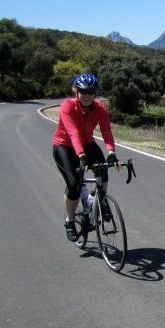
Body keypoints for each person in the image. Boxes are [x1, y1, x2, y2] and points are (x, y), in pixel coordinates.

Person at [52, 73, 119, 241]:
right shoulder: (67, 107)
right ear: (77, 91)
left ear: (95, 93)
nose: (87, 96)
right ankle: (70, 221)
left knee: (103, 169)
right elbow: (73, 133)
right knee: (73, 184)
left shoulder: (100, 109)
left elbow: (106, 131)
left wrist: (111, 152)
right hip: (64, 146)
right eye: (83, 91)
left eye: (91, 92)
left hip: (87, 143)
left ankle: (100, 200)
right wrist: (81, 155)